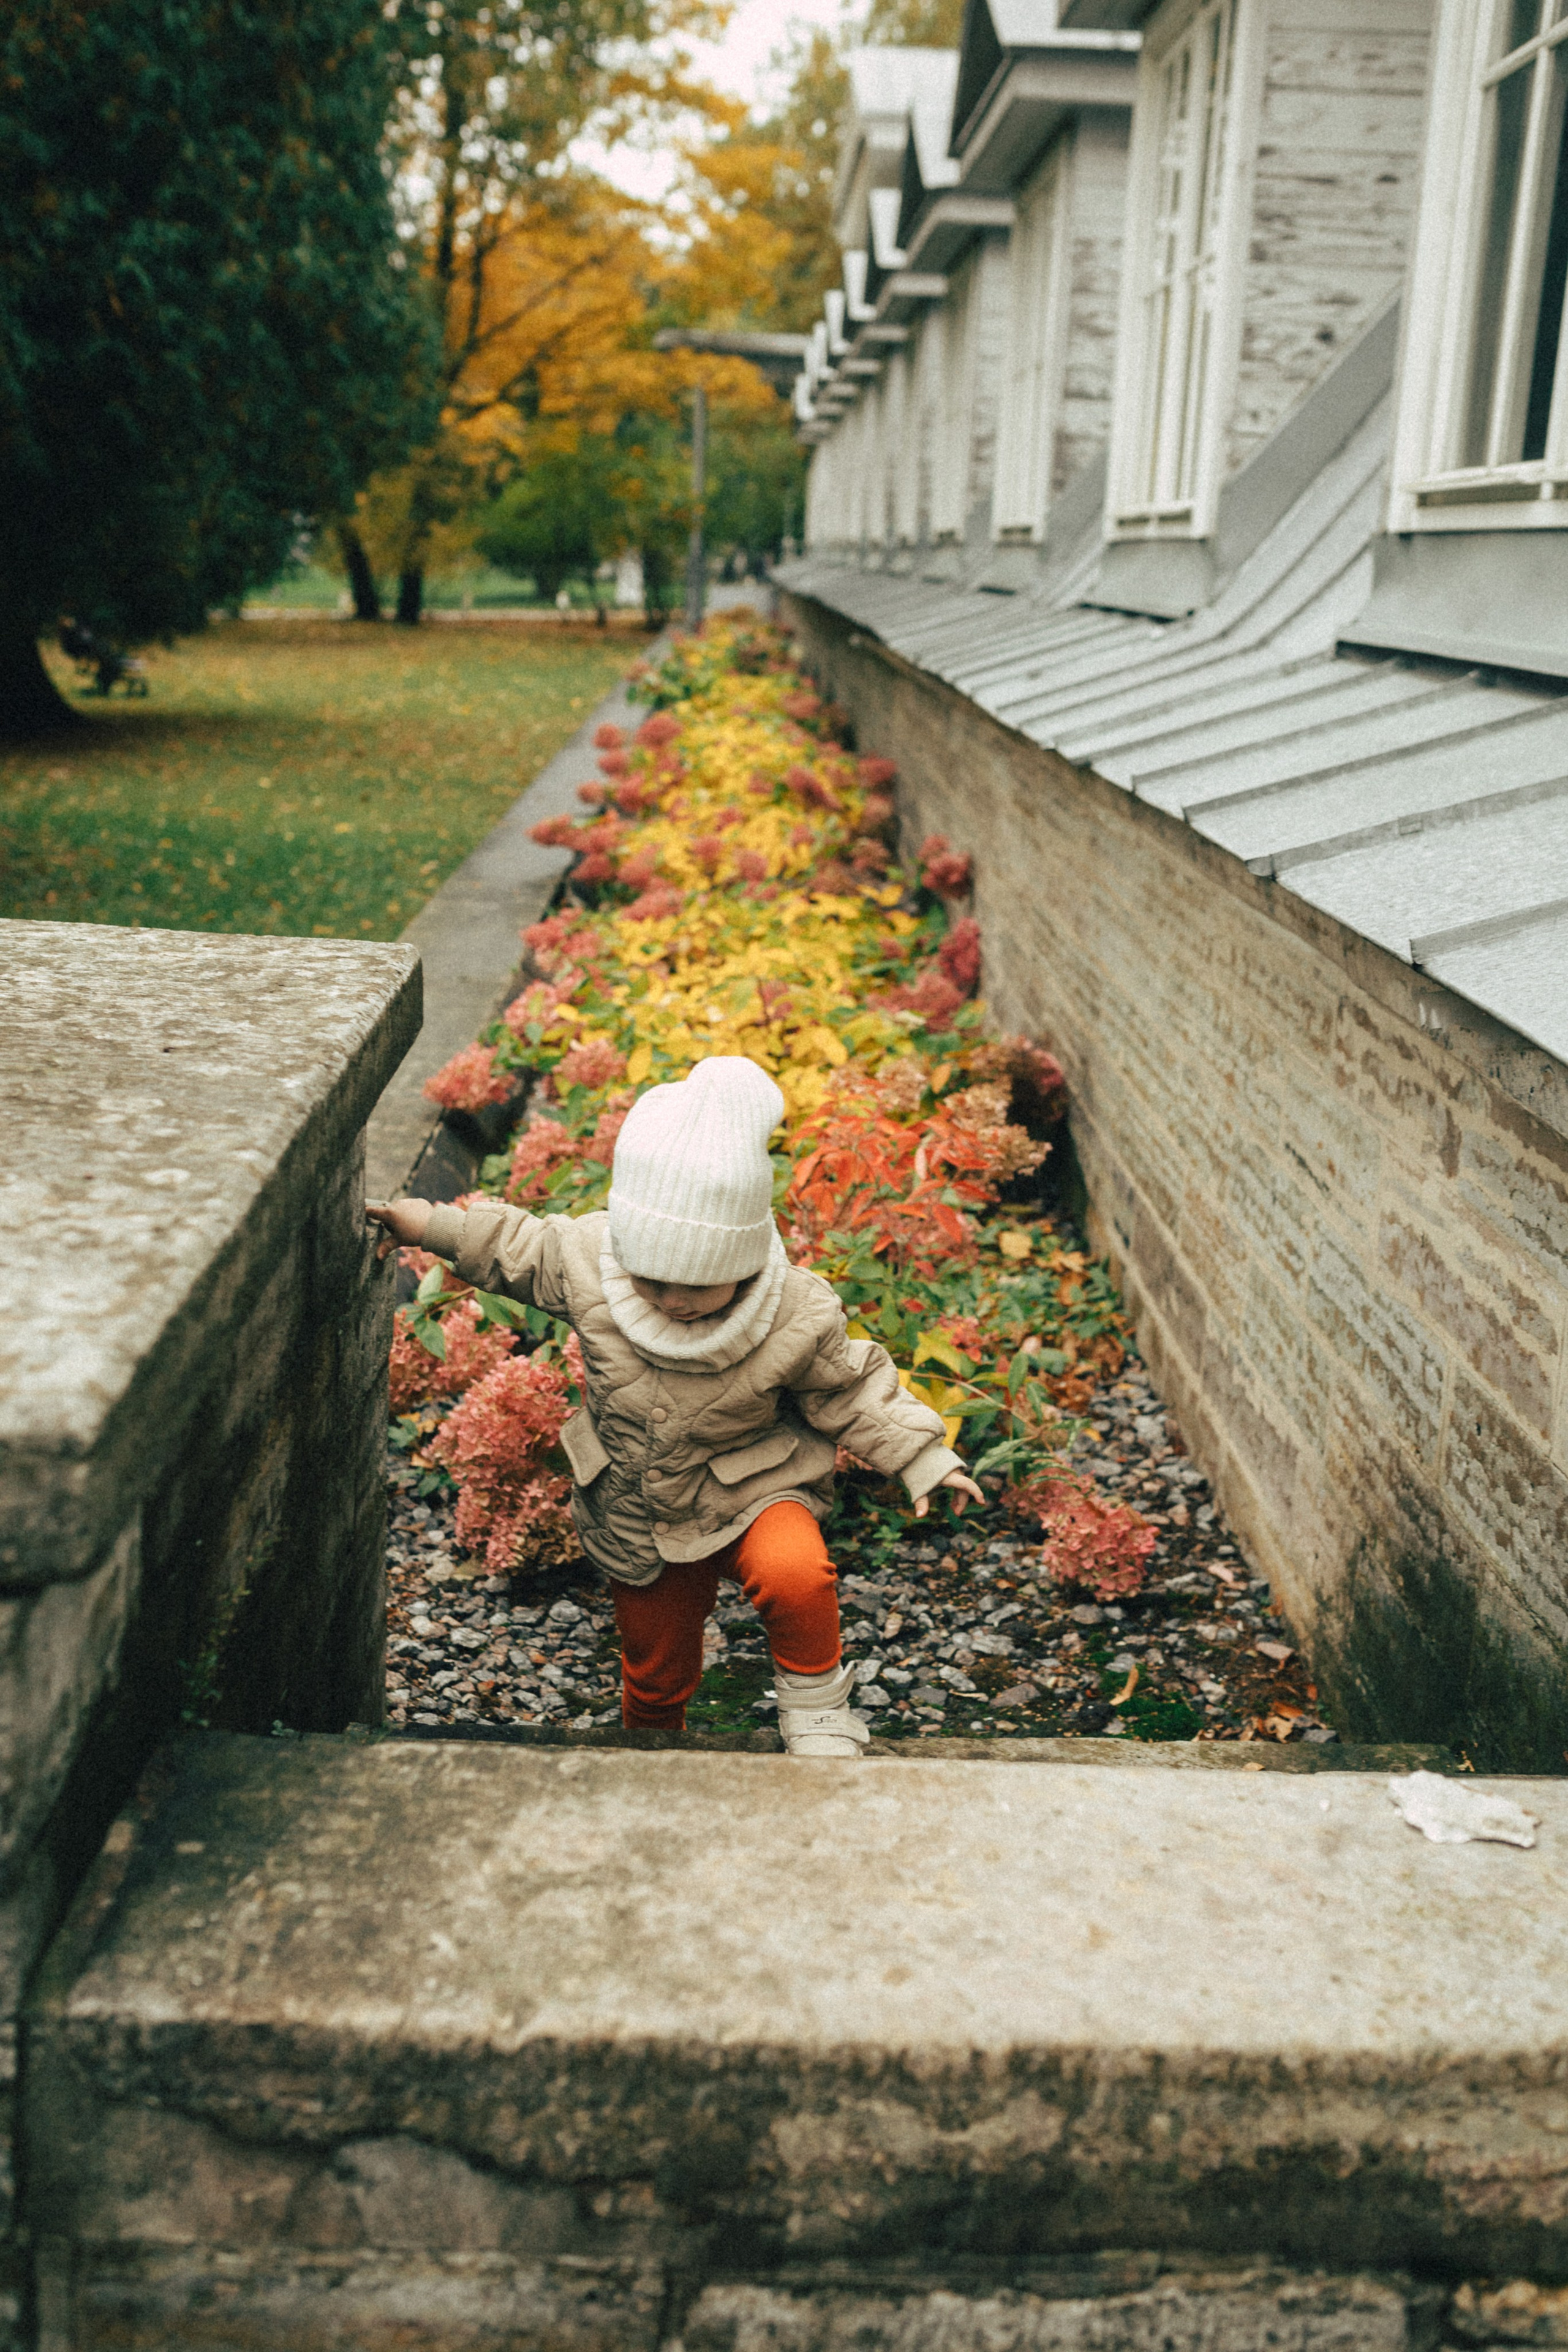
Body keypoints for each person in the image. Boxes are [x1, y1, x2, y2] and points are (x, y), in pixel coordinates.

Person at [368, 1056, 982, 1756]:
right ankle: (652, 1744)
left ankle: (815, 1710)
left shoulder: (794, 1311)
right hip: (635, 1503)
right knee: (657, 1661)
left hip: (754, 1488)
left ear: (745, 1260)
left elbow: (850, 1388)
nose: (671, 1299)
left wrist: (922, 1454)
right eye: (652, 1278)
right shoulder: (593, 1262)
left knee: (797, 1574)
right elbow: (519, 1246)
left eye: (697, 1283)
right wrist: (428, 1225)